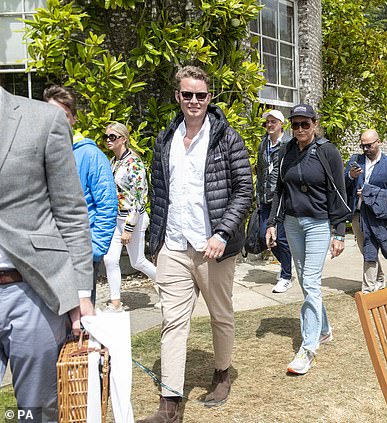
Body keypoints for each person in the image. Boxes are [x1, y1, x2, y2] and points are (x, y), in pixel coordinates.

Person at [141, 66, 253, 421]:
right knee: (172, 322)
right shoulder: (164, 139)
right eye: (187, 94)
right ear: (178, 96)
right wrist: (156, 242)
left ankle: (222, 372)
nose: (193, 101)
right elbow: (160, 193)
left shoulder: (227, 138)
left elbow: (244, 191)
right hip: (173, 245)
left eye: (200, 95)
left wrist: (222, 233)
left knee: (220, 315)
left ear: (210, 98)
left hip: (212, 247)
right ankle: (169, 403)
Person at [0, 87, 94, 422]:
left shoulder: (44, 119)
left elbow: (70, 212)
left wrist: (82, 294)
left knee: (36, 412)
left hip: (32, 292)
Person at [265, 103, 350, 375]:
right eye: (296, 124)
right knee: (304, 279)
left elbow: (339, 192)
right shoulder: (286, 151)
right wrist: (272, 223)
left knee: (311, 281)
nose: (300, 129)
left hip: (318, 224)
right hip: (291, 222)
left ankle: (308, 348)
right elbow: (280, 190)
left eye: (305, 124)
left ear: (315, 124)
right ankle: (324, 330)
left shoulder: (328, 152)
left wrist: (339, 231)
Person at [43, 85, 118, 304]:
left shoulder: (90, 155)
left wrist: (93, 251)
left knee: (79, 327)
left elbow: (107, 206)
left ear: (74, 119)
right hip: (48, 256)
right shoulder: (40, 152)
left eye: (63, 115)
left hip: (80, 256)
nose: (56, 120)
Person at [102, 122, 157, 312]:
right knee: (110, 260)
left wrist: (129, 227)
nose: (108, 140)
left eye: (113, 137)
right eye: (106, 137)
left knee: (138, 261)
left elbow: (140, 197)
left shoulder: (134, 163)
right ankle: (115, 303)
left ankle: (171, 290)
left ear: (123, 139)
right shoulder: (114, 162)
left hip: (133, 219)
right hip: (117, 219)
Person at [346, 130, 387, 293]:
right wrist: (349, 175)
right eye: (362, 145)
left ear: (378, 142)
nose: (365, 149)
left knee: (370, 247)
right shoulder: (355, 160)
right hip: (357, 214)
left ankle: (368, 289)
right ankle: (380, 278)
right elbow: (342, 184)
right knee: (365, 248)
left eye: (368, 145)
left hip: (376, 214)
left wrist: (370, 193)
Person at [256, 109, 293, 293]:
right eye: (267, 122)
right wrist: (258, 197)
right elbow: (260, 171)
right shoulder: (263, 144)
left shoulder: (287, 144)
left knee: (282, 239)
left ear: (281, 125)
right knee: (265, 237)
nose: (269, 125)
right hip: (265, 199)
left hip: (281, 199)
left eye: (273, 122)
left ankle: (286, 276)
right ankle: (286, 265)